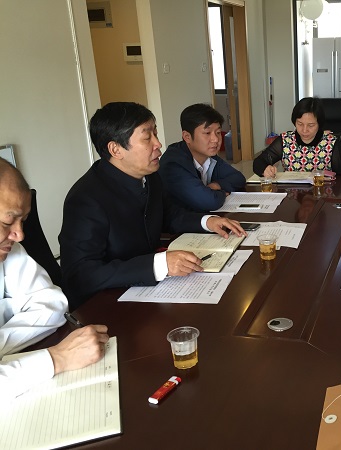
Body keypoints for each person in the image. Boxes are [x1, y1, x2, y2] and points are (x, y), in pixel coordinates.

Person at [60, 102, 246, 310]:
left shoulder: (150, 177)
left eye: (155, 134)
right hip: (107, 305)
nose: (158, 144)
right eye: (147, 137)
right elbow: (80, 274)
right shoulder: (86, 199)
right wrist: (159, 265)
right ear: (116, 149)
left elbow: (168, 214)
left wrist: (207, 221)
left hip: (148, 293)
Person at [0, 159, 108, 401]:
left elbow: (53, 305)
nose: (20, 235)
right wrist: (57, 358)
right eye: (7, 222)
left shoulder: (10, 249)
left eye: (23, 220)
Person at [159, 103, 246, 212]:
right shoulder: (173, 164)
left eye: (218, 132)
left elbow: (238, 178)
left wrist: (216, 185)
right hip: (181, 221)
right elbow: (209, 201)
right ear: (187, 137)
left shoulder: (209, 157)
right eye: (207, 133)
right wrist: (222, 193)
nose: (215, 139)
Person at [253, 97, 341, 177]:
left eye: (311, 125)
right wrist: (265, 169)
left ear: (319, 124)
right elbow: (259, 162)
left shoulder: (331, 143)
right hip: (291, 192)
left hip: (321, 191)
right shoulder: (286, 140)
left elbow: (340, 178)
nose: (304, 130)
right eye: (300, 124)